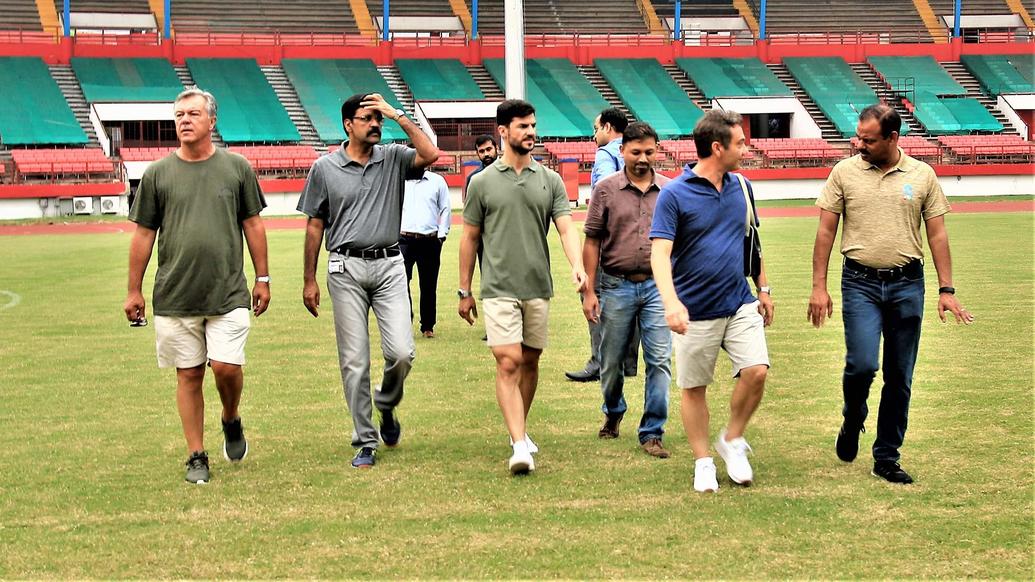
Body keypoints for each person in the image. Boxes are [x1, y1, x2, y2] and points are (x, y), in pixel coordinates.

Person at [808, 104, 974, 485]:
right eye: (858, 137)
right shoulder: (844, 172)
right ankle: (853, 418)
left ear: (893, 138)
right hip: (859, 283)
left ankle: (886, 456)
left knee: (900, 376)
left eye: (868, 140)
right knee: (863, 364)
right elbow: (824, 232)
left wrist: (947, 289)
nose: (859, 144)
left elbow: (937, 234)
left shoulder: (922, 175)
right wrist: (819, 286)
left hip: (907, 284)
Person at [123, 86, 270, 485]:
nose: (184, 121)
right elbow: (143, 235)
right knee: (188, 375)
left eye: (192, 114)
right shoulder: (156, 174)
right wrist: (133, 289)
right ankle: (196, 455)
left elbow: (253, 224)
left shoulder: (237, 167)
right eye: (179, 115)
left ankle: (231, 417)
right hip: (175, 294)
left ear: (211, 120)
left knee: (225, 368)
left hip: (227, 291)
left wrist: (263, 277)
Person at [298, 93, 438, 469]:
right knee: (355, 361)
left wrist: (399, 115)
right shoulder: (324, 168)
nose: (376, 124)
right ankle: (365, 441)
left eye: (379, 119)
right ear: (348, 125)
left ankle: (387, 403)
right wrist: (309, 279)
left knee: (402, 353)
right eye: (368, 118)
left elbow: (431, 154)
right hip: (344, 268)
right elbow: (314, 226)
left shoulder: (393, 157)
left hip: (390, 264)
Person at [458, 99, 588, 475]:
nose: (531, 132)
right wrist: (464, 290)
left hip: (538, 286)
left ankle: (520, 427)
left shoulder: (550, 180)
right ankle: (518, 444)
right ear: (503, 131)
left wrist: (576, 265)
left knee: (530, 361)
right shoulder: (481, 183)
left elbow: (565, 226)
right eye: (522, 126)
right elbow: (469, 238)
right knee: (508, 360)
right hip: (498, 287)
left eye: (533, 125)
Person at [650, 108, 775, 493]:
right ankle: (703, 461)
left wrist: (763, 287)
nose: (746, 149)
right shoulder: (674, 194)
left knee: (757, 370)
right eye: (740, 143)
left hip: (739, 302)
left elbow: (751, 240)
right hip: (694, 309)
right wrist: (671, 302)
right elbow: (659, 253)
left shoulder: (743, 186)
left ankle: (732, 439)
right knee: (694, 387)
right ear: (717, 147)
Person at [582, 122, 672, 458]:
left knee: (660, 360)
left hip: (657, 287)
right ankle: (613, 409)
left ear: (657, 150)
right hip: (615, 285)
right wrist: (589, 291)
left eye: (649, 151)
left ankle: (652, 431)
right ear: (622, 151)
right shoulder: (605, 190)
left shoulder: (670, 191)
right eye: (636, 152)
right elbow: (592, 241)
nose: (643, 158)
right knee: (611, 360)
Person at [566, 106, 639, 383]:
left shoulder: (606, 154)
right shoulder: (635, 151)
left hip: (609, 239)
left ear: (608, 128)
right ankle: (626, 363)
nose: (594, 135)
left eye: (596, 129)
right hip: (636, 238)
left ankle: (599, 361)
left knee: (592, 294)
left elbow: (604, 190)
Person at [399, 169, 450, 338]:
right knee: (400, 283)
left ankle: (428, 326)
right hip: (403, 239)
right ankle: (405, 322)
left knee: (428, 284)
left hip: (430, 240)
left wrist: (441, 235)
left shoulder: (437, 181)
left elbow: (445, 208)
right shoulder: (399, 181)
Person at [464, 134, 498, 198]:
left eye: (489, 149)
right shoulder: (473, 178)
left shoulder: (509, 170)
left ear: (497, 148)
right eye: (481, 151)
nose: (486, 154)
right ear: (477, 153)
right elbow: (470, 206)